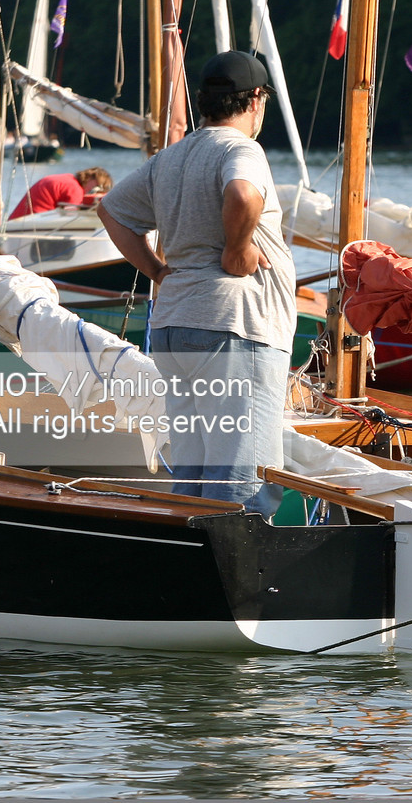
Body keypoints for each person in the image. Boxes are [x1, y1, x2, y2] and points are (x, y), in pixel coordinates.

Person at [97, 51, 296, 513]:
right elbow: (243, 192)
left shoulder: (170, 158)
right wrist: (237, 249)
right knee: (241, 481)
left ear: (203, 102)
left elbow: (111, 211)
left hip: (174, 329)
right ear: (256, 101)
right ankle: (233, 580)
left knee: (193, 473)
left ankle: (187, 571)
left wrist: (157, 271)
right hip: (233, 326)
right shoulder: (240, 148)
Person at [8, 166, 114, 220]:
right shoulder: (74, 189)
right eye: (99, 186)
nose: (99, 191)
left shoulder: (67, 179)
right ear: (90, 178)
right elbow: (71, 216)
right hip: (32, 223)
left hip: (19, 220)